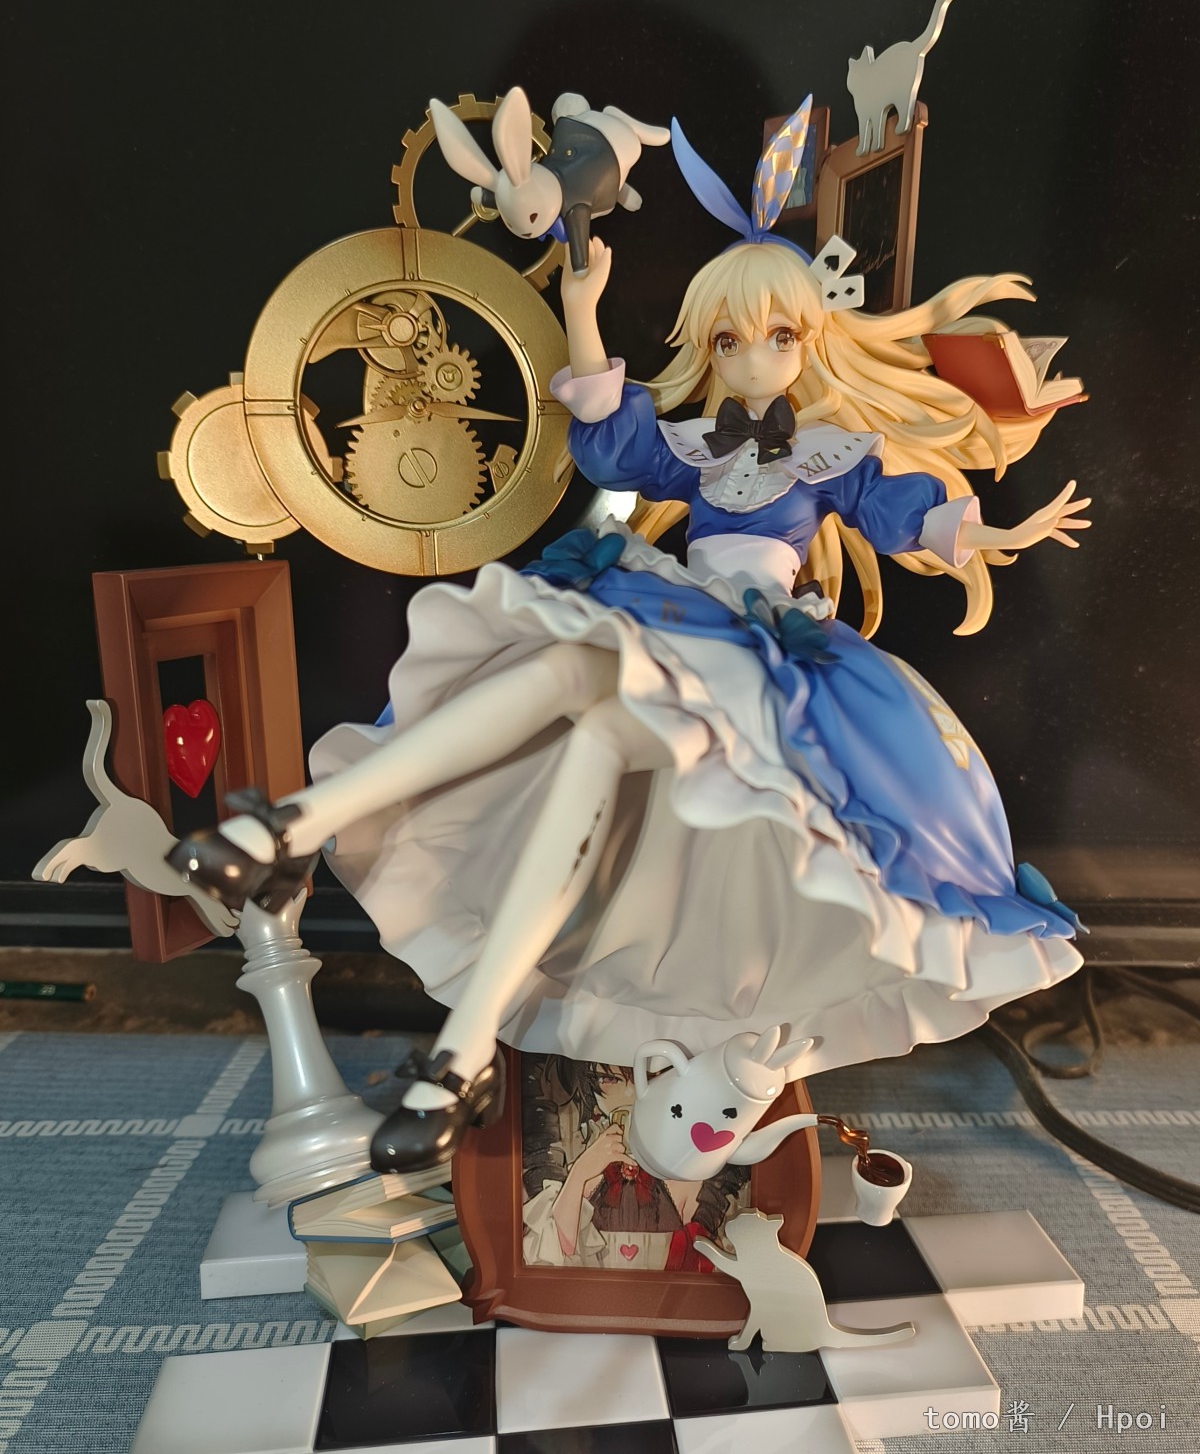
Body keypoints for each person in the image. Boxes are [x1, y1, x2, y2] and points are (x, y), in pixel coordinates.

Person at [171, 99, 1089, 1174]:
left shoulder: (826, 455)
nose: (753, 360)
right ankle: (422, 1000)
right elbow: (614, 447)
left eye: (778, 337)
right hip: (676, 609)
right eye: (729, 340)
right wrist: (582, 302)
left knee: (584, 690)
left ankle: (317, 863)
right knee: (578, 696)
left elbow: (901, 513)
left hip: (760, 655)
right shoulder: (696, 444)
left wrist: (995, 530)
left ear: (811, 340)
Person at [521, 1057, 747, 1270]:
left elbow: (696, 1255)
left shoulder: (685, 1173)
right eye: (608, 1079)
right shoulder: (587, 1171)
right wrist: (581, 1171)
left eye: (648, 1078)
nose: (630, 1092)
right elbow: (558, 1251)